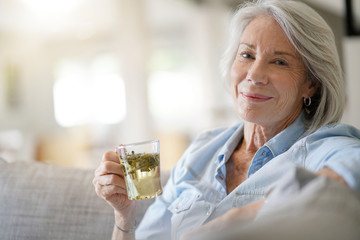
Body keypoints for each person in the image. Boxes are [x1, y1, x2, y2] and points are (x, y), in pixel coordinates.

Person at [92, 0, 360, 239]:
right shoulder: (201, 149)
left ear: (310, 84)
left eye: (279, 62)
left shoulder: (320, 147)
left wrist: (239, 217)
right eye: (247, 55)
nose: (254, 75)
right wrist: (124, 218)